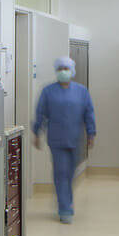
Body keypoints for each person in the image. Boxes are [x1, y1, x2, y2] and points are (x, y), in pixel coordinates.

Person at [32, 55, 96, 224]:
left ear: (72, 71)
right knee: (61, 173)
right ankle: (65, 208)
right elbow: (41, 113)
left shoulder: (81, 91)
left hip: (75, 138)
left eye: (66, 69)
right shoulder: (48, 91)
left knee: (70, 173)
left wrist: (91, 133)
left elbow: (88, 113)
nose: (63, 72)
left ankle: (64, 199)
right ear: (56, 71)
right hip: (57, 139)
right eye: (60, 69)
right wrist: (36, 132)